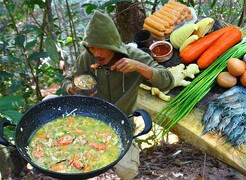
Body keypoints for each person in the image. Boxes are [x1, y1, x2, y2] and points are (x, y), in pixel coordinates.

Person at [61, 11, 174, 179]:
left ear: (112, 44)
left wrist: (139, 67)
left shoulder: (135, 57)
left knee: (127, 171)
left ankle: (128, 151)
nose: (96, 53)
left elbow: (168, 81)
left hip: (122, 122)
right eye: (92, 47)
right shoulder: (87, 58)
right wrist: (70, 87)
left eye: (101, 47)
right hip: (92, 120)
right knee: (73, 163)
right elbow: (68, 80)